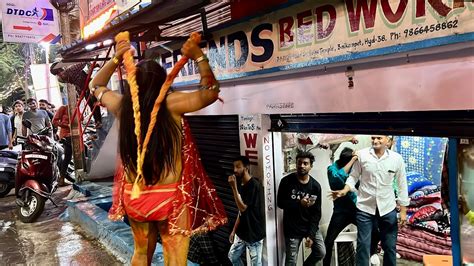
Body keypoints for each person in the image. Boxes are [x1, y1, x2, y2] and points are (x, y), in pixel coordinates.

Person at [89, 31, 227, 265]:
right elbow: (210, 92)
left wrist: (116, 58)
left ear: (134, 82)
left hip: (135, 196)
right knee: (174, 257)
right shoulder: (172, 104)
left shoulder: (122, 106)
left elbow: (96, 85)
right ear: (163, 81)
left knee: (141, 253)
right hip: (170, 197)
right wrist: (198, 56)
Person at [331, 135, 409, 266]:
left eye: (379, 138)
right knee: (363, 245)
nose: (375, 141)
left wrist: (403, 210)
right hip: (365, 207)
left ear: (388, 141)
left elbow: (402, 184)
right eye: (373, 138)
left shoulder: (396, 159)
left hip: (387, 207)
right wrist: (345, 190)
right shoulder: (362, 155)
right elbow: (353, 176)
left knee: (389, 246)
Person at [277, 151, 325, 266]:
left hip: (309, 226)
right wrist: (299, 203)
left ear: (311, 166)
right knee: (291, 261)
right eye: (299, 163)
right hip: (292, 228)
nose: (302, 166)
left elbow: (316, 213)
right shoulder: (286, 181)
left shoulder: (315, 186)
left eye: (305, 163)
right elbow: (280, 203)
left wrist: (311, 234)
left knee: (321, 252)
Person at [323, 147, 358, 266]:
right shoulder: (332, 169)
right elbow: (337, 179)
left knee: (374, 231)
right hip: (340, 211)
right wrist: (352, 160)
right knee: (328, 241)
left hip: (355, 209)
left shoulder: (355, 169)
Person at [228, 156, 265, 266]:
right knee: (232, 256)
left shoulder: (254, 186)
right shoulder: (241, 184)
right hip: (242, 233)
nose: (235, 170)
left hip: (254, 235)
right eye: (234, 167)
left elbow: (243, 207)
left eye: (238, 167)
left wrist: (233, 188)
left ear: (246, 167)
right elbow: (241, 212)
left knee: (256, 264)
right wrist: (234, 230)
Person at [51, 61, 103, 128]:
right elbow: (84, 62)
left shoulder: (68, 72)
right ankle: (98, 121)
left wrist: (91, 67)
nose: (60, 74)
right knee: (91, 104)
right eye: (57, 73)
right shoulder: (65, 75)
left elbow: (84, 61)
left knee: (92, 102)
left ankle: (98, 121)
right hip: (85, 87)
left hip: (88, 85)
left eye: (59, 71)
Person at [52, 105, 72, 186]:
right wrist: (66, 125)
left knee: (81, 154)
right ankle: (61, 179)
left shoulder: (76, 108)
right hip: (66, 135)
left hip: (77, 134)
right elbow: (54, 121)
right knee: (68, 157)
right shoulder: (63, 108)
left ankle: (62, 178)